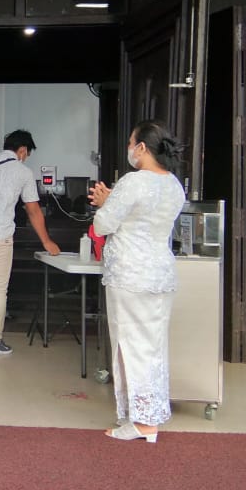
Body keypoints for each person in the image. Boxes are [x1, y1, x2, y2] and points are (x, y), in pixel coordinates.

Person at [88, 120, 185, 443]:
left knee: (129, 345)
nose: (129, 149)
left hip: (130, 273)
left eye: (131, 143)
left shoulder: (133, 182)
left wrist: (106, 202)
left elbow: (103, 224)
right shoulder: (174, 185)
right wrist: (114, 200)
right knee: (153, 346)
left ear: (142, 147)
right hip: (160, 273)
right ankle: (148, 413)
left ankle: (141, 420)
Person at [0, 130, 61, 357]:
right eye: (27, 154)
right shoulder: (23, 172)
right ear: (23, 150)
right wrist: (46, 241)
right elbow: (33, 210)